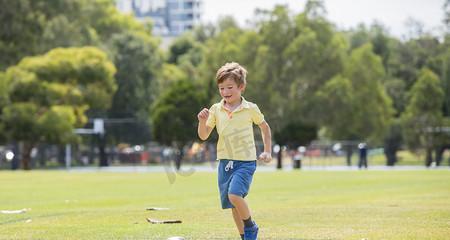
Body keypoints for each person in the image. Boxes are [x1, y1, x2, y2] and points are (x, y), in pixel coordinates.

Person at [197, 62, 272, 240]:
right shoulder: (216, 109)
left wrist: (267, 151)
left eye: (229, 87)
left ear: (241, 87)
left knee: (234, 194)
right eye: (221, 88)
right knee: (232, 204)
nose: (225, 92)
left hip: (245, 162)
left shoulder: (250, 108)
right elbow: (204, 135)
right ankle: (244, 236)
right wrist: (202, 121)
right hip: (224, 162)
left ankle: (251, 227)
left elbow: (265, 127)